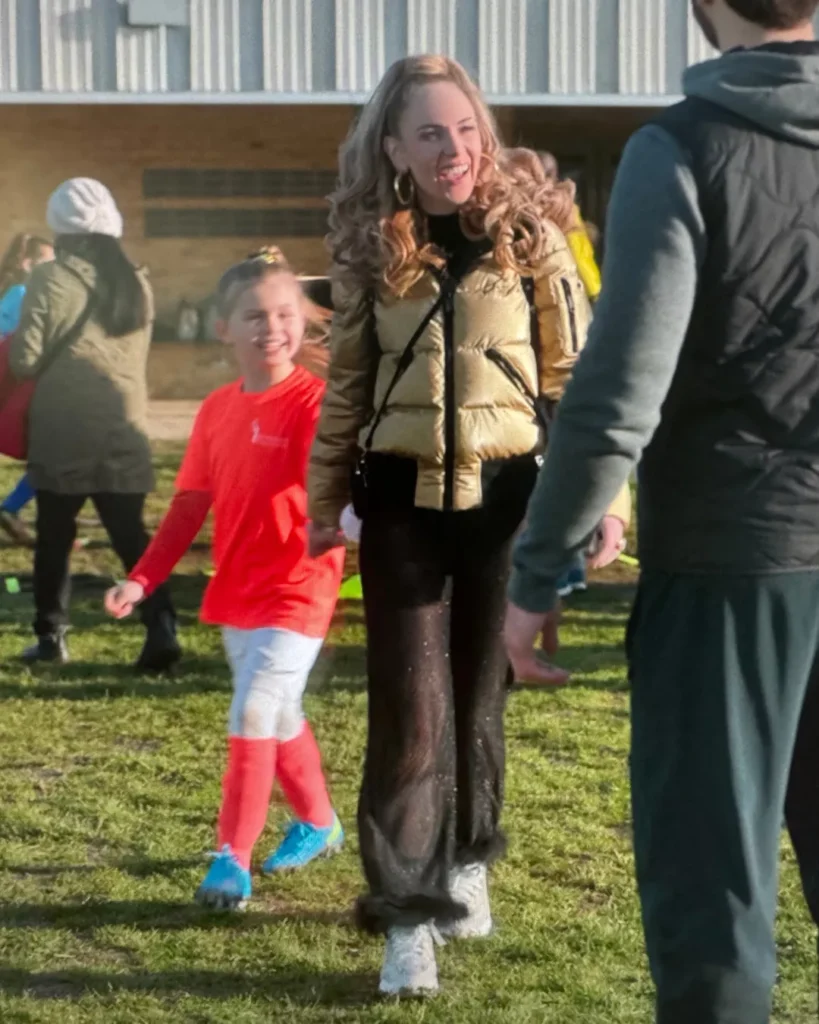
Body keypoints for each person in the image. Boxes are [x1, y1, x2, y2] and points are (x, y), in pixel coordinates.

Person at [504, 1, 819, 1020]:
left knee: (712, 893)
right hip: (762, 537)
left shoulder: (682, 145)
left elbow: (619, 387)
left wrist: (537, 566)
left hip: (737, 557)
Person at [307, 55, 631, 996]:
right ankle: (407, 915)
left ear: (484, 137)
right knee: (408, 717)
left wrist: (608, 499)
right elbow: (345, 393)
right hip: (401, 502)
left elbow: (581, 378)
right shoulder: (371, 246)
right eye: (429, 134)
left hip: (510, 500)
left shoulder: (532, 237)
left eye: (465, 130)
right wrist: (325, 498)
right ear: (394, 149)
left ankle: (470, 856)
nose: (453, 150)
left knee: (478, 697)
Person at [105, 248, 346, 910]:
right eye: (254, 315)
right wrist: (142, 579)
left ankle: (229, 859)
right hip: (238, 588)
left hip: (301, 585)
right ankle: (320, 822)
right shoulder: (215, 410)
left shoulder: (317, 404)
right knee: (280, 710)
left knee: (254, 711)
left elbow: (344, 492)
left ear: (303, 322)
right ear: (224, 329)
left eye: (284, 314)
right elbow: (188, 508)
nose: (271, 327)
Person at [9, 178, 179, 671]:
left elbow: (25, 359)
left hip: (64, 429)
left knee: (55, 536)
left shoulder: (50, 278)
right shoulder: (137, 281)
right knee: (131, 535)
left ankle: (51, 637)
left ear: (60, 227)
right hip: (124, 426)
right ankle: (162, 624)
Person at [0, 233, 55, 546]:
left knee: (50, 453)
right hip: (19, 384)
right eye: (48, 261)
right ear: (27, 263)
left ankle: (18, 508)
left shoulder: (16, 291)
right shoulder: (24, 294)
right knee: (53, 453)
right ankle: (13, 508)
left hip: (17, 383)